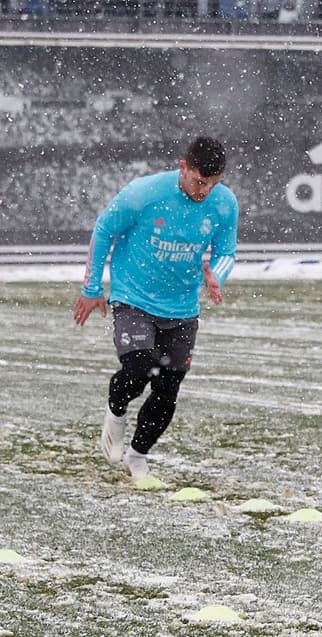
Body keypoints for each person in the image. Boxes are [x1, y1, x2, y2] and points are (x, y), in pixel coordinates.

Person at [73, 136, 238, 487]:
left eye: (213, 183)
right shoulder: (144, 193)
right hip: (133, 297)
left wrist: (216, 277)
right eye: (199, 181)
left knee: (168, 387)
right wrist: (91, 288)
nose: (205, 190)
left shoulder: (224, 204)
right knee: (139, 367)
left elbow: (226, 251)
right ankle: (115, 415)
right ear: (184, 167)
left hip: (181, 308)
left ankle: (138, 455)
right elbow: (103, 229)